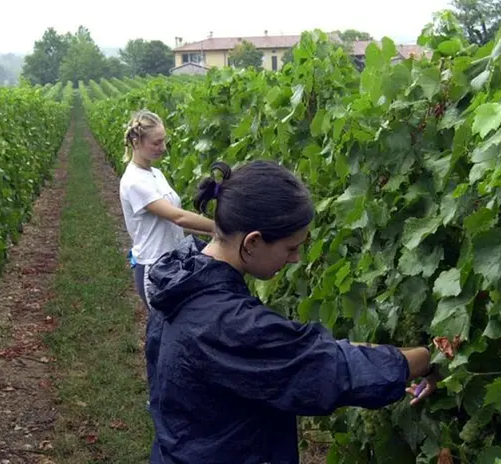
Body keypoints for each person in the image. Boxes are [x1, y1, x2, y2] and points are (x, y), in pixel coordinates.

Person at [142, 160, 441, 464]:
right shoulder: (227, 324)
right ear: (253, 242)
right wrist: (429, 359)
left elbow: (300, 353)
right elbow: (330, 370)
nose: (296, 258)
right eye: (290, 248)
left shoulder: (180, 281)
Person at [119, 110, 216, 309]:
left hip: (174, 261)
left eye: (163, 141)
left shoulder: (156, 174)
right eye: (156, 143)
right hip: (154, 266)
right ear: (136, 142)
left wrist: (215, 232)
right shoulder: (134, 182)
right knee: (163, 332)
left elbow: (174, 225)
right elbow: (178, 217)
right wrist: (221, 226)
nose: (162, 148)